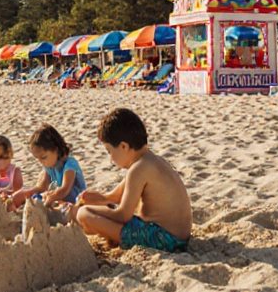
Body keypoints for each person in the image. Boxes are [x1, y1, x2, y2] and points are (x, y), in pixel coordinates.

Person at [74, 108, 191, 252]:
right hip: (178, 236)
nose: (111, 158)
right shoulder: (150, 160)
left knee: (84, 215)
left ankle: (115, 239)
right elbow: (116, 197)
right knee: (94, 212)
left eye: (110, 151)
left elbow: (123, 215)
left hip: (165, 239)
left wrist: (88, 210)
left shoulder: (138, 169)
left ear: (123, 146)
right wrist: (99, 199)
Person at [10, 124, 86, 210]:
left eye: (43, 157)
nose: (41, 162)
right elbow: (41, 187)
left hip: (77, 203)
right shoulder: (49, 165)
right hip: (60, 200)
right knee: (35, 198)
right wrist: (25, 194)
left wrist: (50, 198)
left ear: (55, 149)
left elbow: (65, 190)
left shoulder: (69, 164)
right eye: (37, 159)